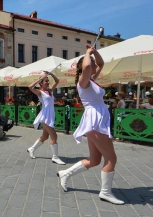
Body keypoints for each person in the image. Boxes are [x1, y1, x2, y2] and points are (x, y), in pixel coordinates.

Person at [57, 45, 124, 205]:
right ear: (82, 66)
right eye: (91, 62)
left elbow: (101, 64)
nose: (94, 64)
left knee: (94, 160)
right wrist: (87, 53)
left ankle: (65, 173)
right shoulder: (83, 81)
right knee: (111, 158)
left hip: (96, 120)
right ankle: (105, 192)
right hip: (95, 121)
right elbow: (87, 65)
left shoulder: (91, 80)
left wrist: (93, 52)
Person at [26, 71, 66, 165]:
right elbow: (30, 87)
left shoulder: (49, 91)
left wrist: (51, 74)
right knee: (54, 136)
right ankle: (55, 157)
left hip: (50, 115)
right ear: (41, 83)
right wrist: (40, 78)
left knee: (45, 136)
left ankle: (31, 149)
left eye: (48, 81)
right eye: (46, 81)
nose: (48, 82)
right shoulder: (40, 92)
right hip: (45, 116)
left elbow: (57, 81)